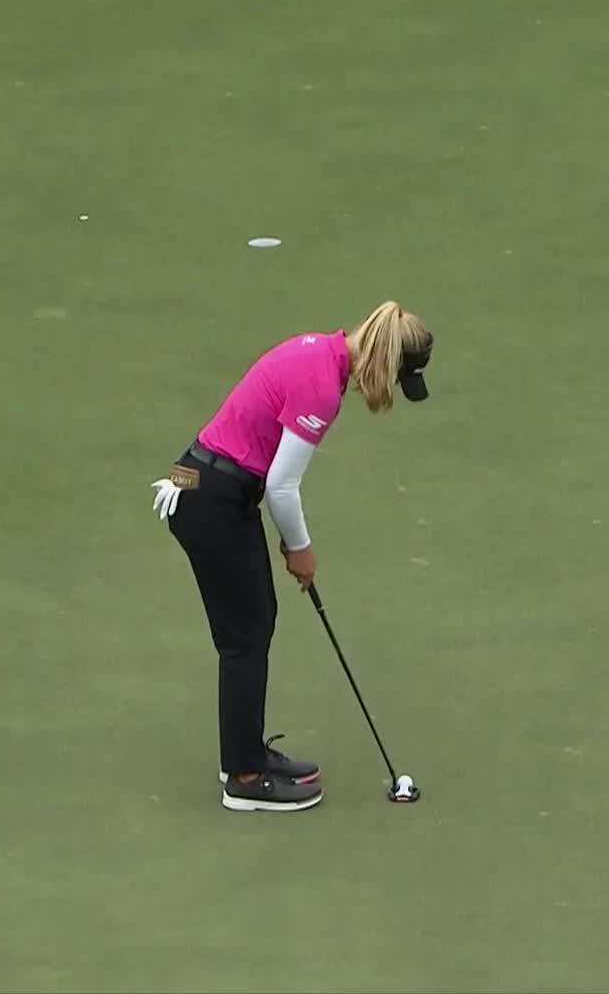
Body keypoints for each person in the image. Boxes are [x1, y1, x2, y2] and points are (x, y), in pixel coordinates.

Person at [150, 301, 433, 812]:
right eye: (397, 376)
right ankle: (243, 779)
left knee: (255, 621)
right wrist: (301, 550)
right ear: (386, 360)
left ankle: (244, 752)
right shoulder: (322, 389)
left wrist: (288, 538)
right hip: (209, 497)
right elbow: (282, 487)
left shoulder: (318, 351)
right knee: (246, 633)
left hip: (202, 480)